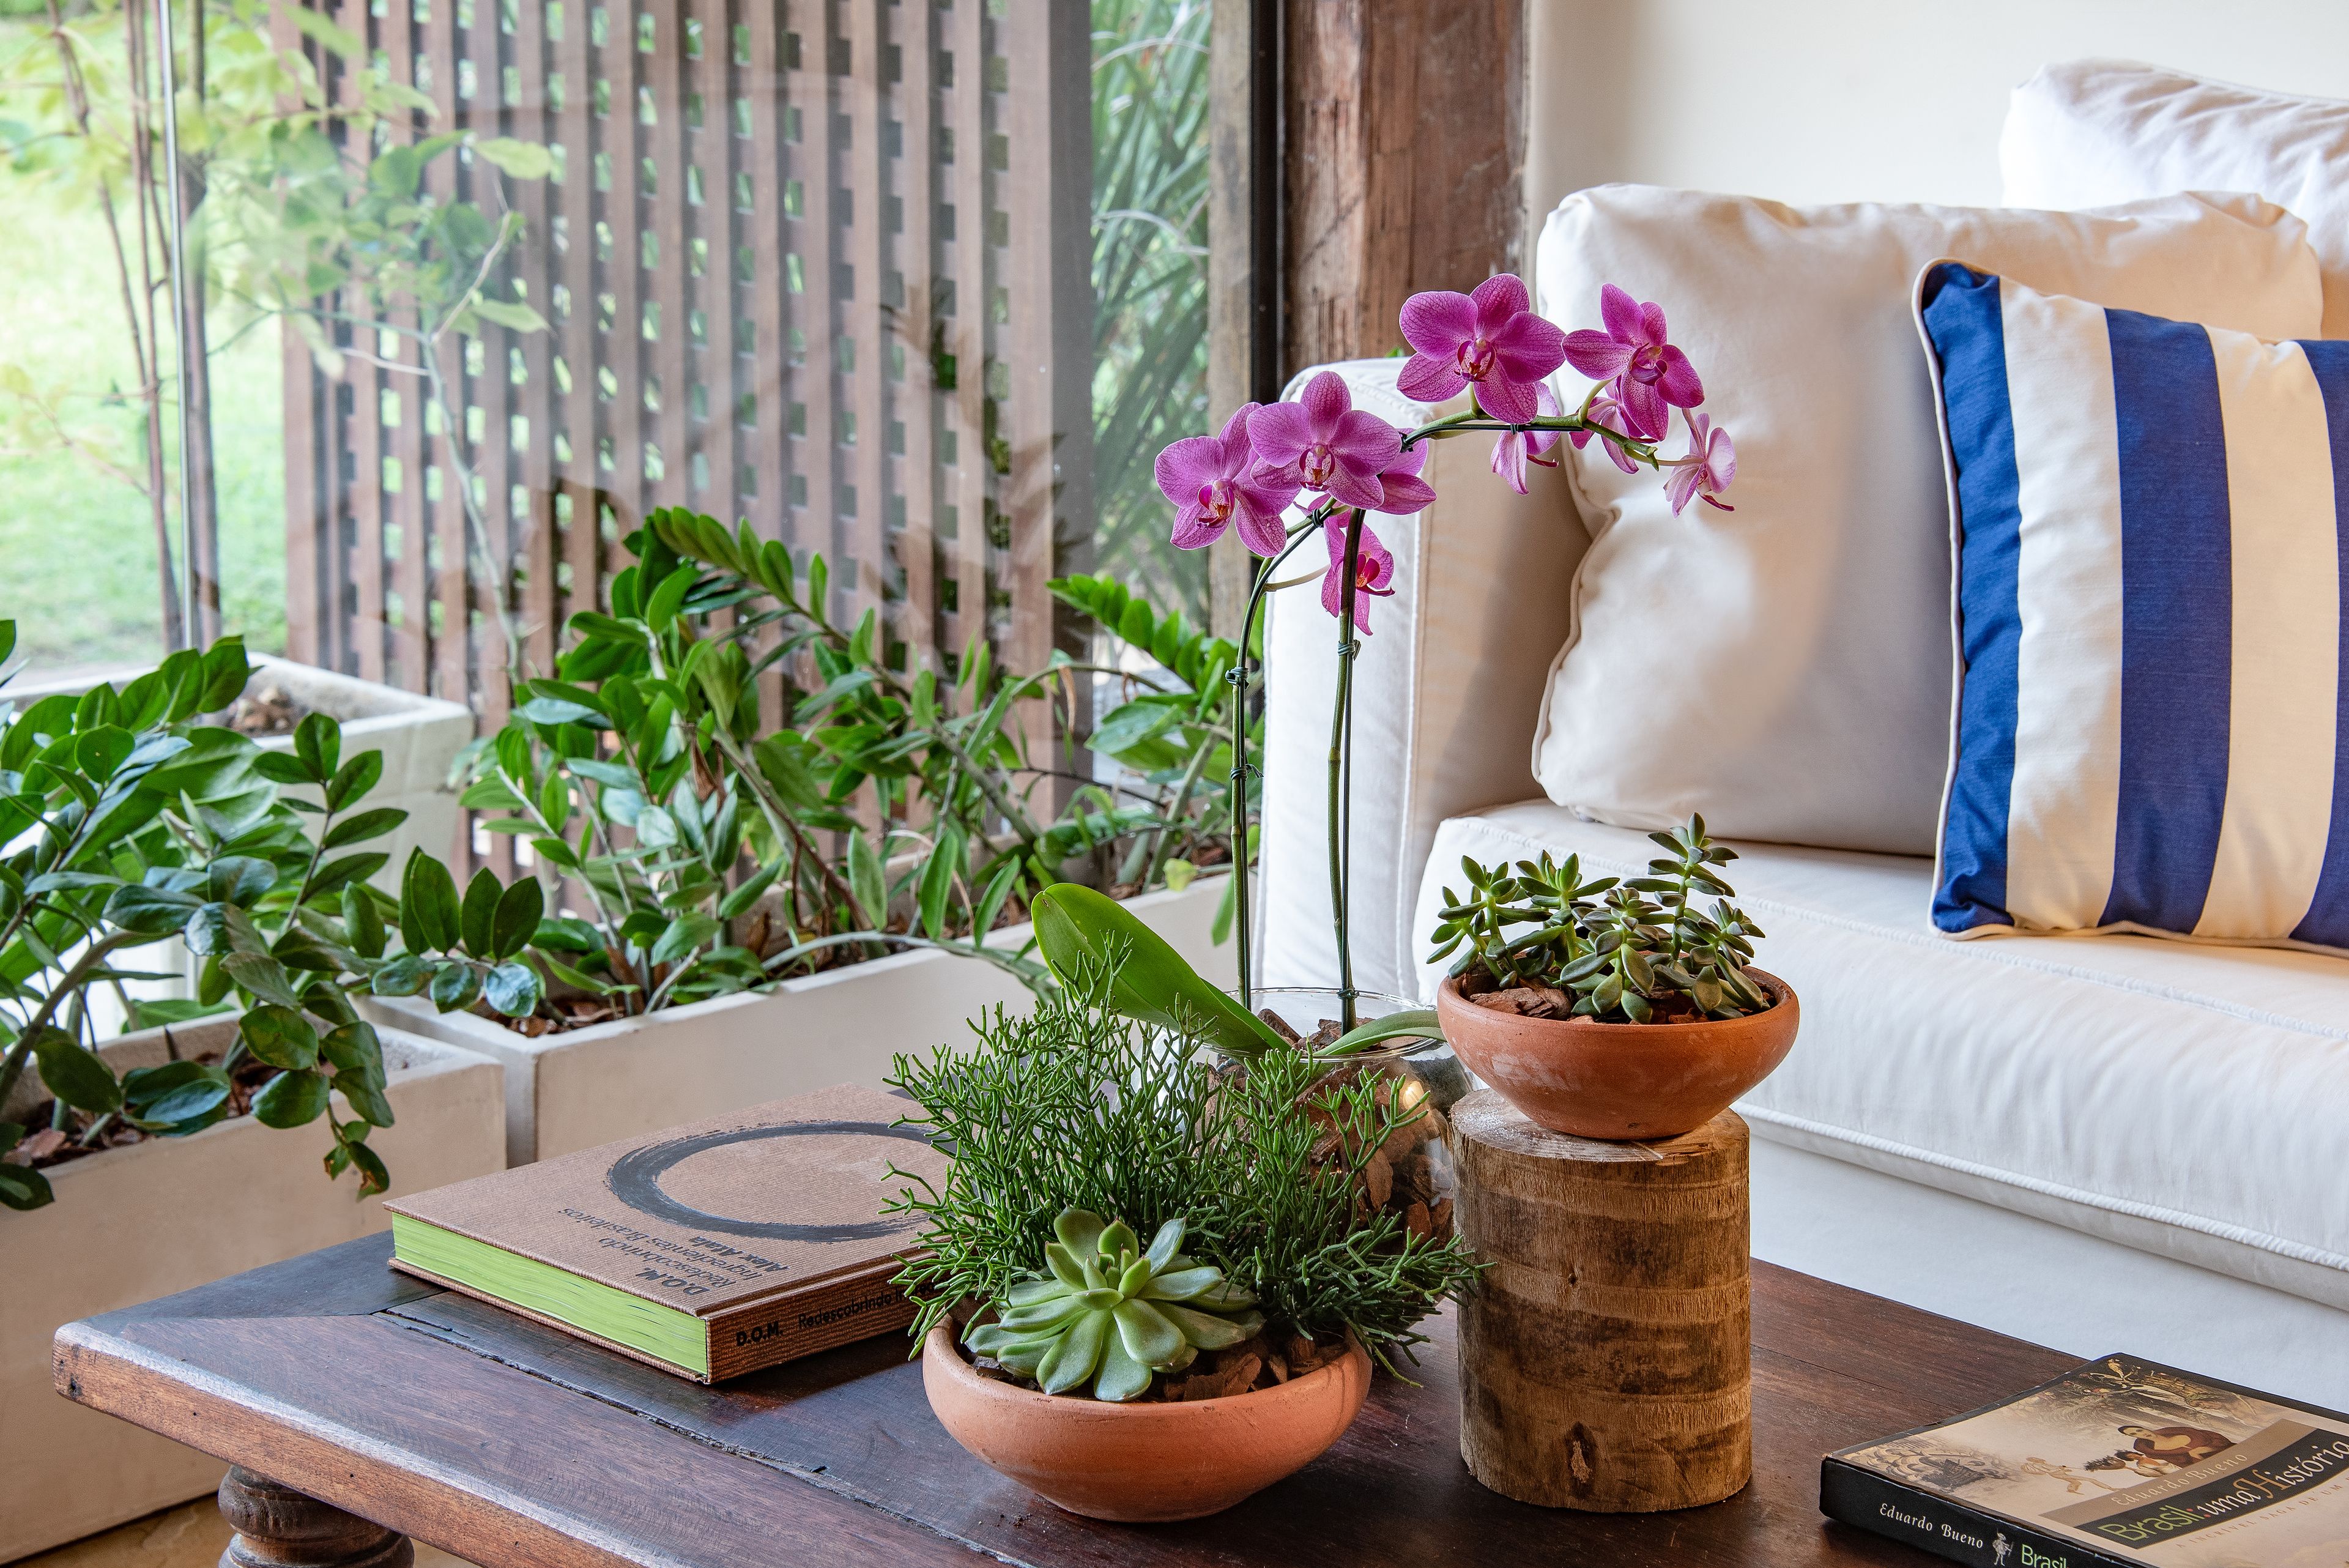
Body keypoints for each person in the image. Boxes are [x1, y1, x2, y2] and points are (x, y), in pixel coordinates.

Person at [2117, 1424, 2233, 1470]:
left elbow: (2220, 1440)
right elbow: (2185, 1466)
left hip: (2234, 1454)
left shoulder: (2179, 1431)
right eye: (2134, 1434)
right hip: (2215, 1468)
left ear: (2144, 1428)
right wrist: (2195, 1455)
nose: (2141, 1434)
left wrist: (2208, 1449)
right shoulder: (2154, 1453)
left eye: (2139, 1430)